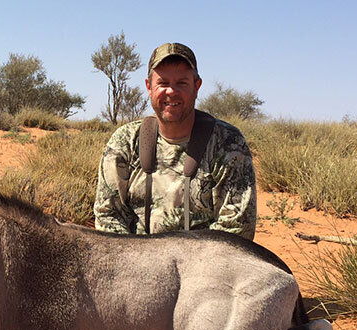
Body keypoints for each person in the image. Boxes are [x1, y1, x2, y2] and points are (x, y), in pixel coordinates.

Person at [94, 42, 257, 239]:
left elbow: (238, 228)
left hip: (204, 266)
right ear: (149, 87)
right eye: (163, 83)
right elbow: (108, 216)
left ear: (197, 87)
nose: (171, 91)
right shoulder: (125, 141)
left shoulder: (228, 143)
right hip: (135, 263)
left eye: (182, 83)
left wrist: (182, 267)